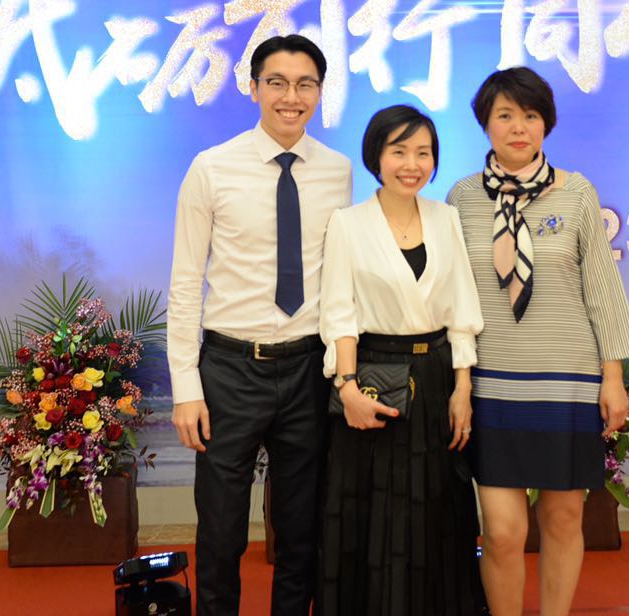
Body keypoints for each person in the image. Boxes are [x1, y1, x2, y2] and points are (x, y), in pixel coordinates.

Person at [168, 34, 354, 616]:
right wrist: (186, 388)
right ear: (253, 89)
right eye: (277, 83)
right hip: (230, 368)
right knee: (221, 530)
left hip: (308, 368)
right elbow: (184, 282)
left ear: (320, 92)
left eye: (305, 84)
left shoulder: (338, 171)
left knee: (302, 529)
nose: (290, 97)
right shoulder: (211, 168)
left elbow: (340, 277)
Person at [447, 66, 629, 616]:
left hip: (568, 382)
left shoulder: (577, 193)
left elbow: (602, 288)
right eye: (505, 115)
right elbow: (453, 297)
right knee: (502, 531)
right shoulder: (462, 198)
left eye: (530, 116)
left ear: (546, 124)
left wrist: (613, 377)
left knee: (562, 518)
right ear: (485, 123)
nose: (518, 127)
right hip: (492, 383)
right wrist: (460, 382)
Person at [318, 105, 484, 615]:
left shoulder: (446, 217)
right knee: (374, 510)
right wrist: (347, 388)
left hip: (436, 376)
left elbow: (461, 309)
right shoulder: (348, 223)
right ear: (376, 156)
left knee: (437, 506)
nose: (412, 164)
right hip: (374, 376)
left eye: (423, 153)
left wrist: (462, 388)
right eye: (399, 151)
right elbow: (340, 314)